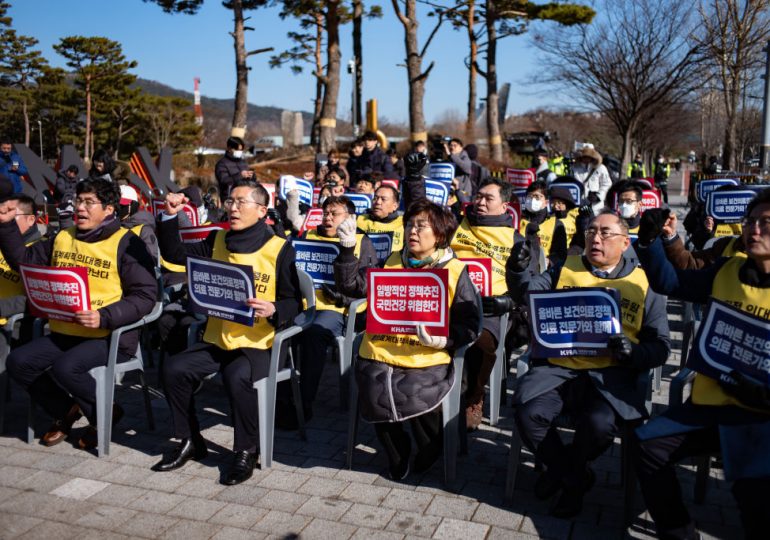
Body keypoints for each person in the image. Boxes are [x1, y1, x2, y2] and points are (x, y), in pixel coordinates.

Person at [506, 211, 670, 518]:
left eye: (606, 233)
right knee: (528, 414)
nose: (596, 238)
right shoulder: (562, 269)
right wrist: (517, 269)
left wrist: (634, 353)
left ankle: (564, 473)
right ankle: (574, 477)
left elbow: (660, 346)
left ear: (625, 242)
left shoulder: (645, 282)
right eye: (591, 231)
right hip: (558, 371)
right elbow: (526, 296)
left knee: (599, 425)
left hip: (611, 379)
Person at [633, 191, 770, 540]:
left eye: (765, 223)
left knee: (753, 497)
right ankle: (677, 530)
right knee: (647, 446)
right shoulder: (726, 270)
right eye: (750, 221)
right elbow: (670, 282)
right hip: (709, 406)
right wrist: (649, 241)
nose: (753, 230)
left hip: (760, 418)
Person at [151, 179, 301, 485]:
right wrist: (168, 217)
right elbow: (177, 254)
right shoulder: (217, 238)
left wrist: (274, 308)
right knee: (174, 368)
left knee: (237, 377)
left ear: (261, 211)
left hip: (259, 344)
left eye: (240, 202)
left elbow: (294, 302)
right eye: (230, 201)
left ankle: (246, 450)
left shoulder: (279, 248)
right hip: (219, 339)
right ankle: (191, 440)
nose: (232, 207)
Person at [1, 178, 157, 449]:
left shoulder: (126, 243)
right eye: (78, 201)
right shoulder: (63, 236)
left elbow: (146, 296)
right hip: (66, 330)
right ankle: (67, 410)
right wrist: (5, 225)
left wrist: (104, 316)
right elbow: (23, 262)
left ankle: (103, 414)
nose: (80, 208)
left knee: (66, 367)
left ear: (109, 209)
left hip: (109, 336)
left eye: (89, 202)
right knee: (18, 362)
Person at [355, 200, 481, 480]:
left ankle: (430, 449)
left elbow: (470, 325)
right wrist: (345, 252)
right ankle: (397, 453)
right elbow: (355, 288)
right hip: (380, 350)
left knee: (417, 391)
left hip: (427, 355)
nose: (413, 230)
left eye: (421, 226)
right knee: (374, 389)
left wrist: (443, 340)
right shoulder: (390, 261)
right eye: (410, 224)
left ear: (439, 235)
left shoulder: (456, 271)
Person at [276, 196, 378, 428]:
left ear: (350, 218)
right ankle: (281, 398)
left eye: (335, 214)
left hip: (337, 310)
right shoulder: (309, 237)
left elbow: (365, 287)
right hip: (305, 305)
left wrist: (340, 296)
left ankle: (304, 403)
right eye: (325, 213)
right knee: (279, 327)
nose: (328, 218)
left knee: (314, 333)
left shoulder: (362, 242)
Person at [450, 178, 521, 429]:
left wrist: (510, 302)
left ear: (504, 206)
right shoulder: (458, 223)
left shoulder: (515, 239)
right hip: (450, 300)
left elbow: (529, 286)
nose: (480, 202)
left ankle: (474, 396)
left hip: (491, 309)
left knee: (480, 341)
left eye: (488, 198)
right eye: (478, 196)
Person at [0, 194, 42, 346]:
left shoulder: (40, 252)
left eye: (11, 215)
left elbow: (38, 298)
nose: (4, 219)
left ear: (30, 219)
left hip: (10, 323)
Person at [356, 184, 404, 253]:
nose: (378, 202)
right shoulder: (358, 220)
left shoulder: (404, 224)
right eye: (375, 198)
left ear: (395, 206)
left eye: (383, 199)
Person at [118, 184, 158, 262]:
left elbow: (151, 260)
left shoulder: (144, 230)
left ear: (133, 206)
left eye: (122, 205)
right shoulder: (109, 224)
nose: (118, 208)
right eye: (115, 204)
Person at [572, 146, 612, 214]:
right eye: (584, 157)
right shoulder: (574, 168)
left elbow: (607, 184)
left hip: (596, 207)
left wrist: (598, 196)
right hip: (578, 206)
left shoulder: (601, 168)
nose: (586, 159)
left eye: (589, 157)